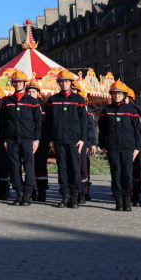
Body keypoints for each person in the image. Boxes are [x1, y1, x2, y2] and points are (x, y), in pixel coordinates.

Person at [45, 70, 88, 209]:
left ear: (71, 83)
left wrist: (82, 139)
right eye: (62, 81)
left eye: (67, 81)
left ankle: (74, 197)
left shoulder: (79, 100)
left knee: (75, 169)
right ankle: (65, 196)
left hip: (74, 141)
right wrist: (51, 139)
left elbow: (84, 122)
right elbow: (49, 122)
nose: (64, 83)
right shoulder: (52, 100)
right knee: (62, 170)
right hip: (58, 140)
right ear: (59, 83)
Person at [0, 70, 43, 206]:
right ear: (12, 84)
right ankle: (18, 193)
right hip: (12, 140)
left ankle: (28, 194)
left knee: (29, 167)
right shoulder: (7, 101)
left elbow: (38, 122)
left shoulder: (33, 101)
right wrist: (5, 140)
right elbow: (3, 122)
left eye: (20, 82)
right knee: (14, 167)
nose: (18, 84)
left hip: (28, 139)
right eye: (15, 82)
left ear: (24, 83)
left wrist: (36, 139)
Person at [98, 80, 141, 211]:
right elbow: (102, 130)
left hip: (128, 147)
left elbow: (137, 131)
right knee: (116, 174)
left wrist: (137, 149)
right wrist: (103, 146)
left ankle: (127, 200)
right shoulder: (106, 111)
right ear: (111, 95)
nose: (117, 96)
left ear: (124, 95)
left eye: (119, 94)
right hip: (112, 148)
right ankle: (118, 201)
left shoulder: (132, 110)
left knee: (127, 175)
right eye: (114, 94)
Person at [73, 81, 97, 204]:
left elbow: (91, 129)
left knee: (84, 169)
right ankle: (75, 192)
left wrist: (92, 144)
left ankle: (85, 192)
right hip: (73, 142)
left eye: (75, 91)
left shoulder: (88, 112)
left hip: (85, 144)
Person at [27, 80, 50, 202]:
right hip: (28, 140)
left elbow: (49, 123)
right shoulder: (25, 104)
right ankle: (32, 190)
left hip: (42, 140)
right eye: (29, 91)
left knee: (41, 166)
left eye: (33, 91)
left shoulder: (44, 106)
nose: (31, 94)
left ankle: (42, 191)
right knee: (29, 166)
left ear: (38, 93)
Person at [127, 87, 141, 206]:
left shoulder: (137, 112)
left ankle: (135, 195)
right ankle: (132, 194)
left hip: (136, 146)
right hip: (131, 145)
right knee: (134, 171)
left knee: (136, 171)